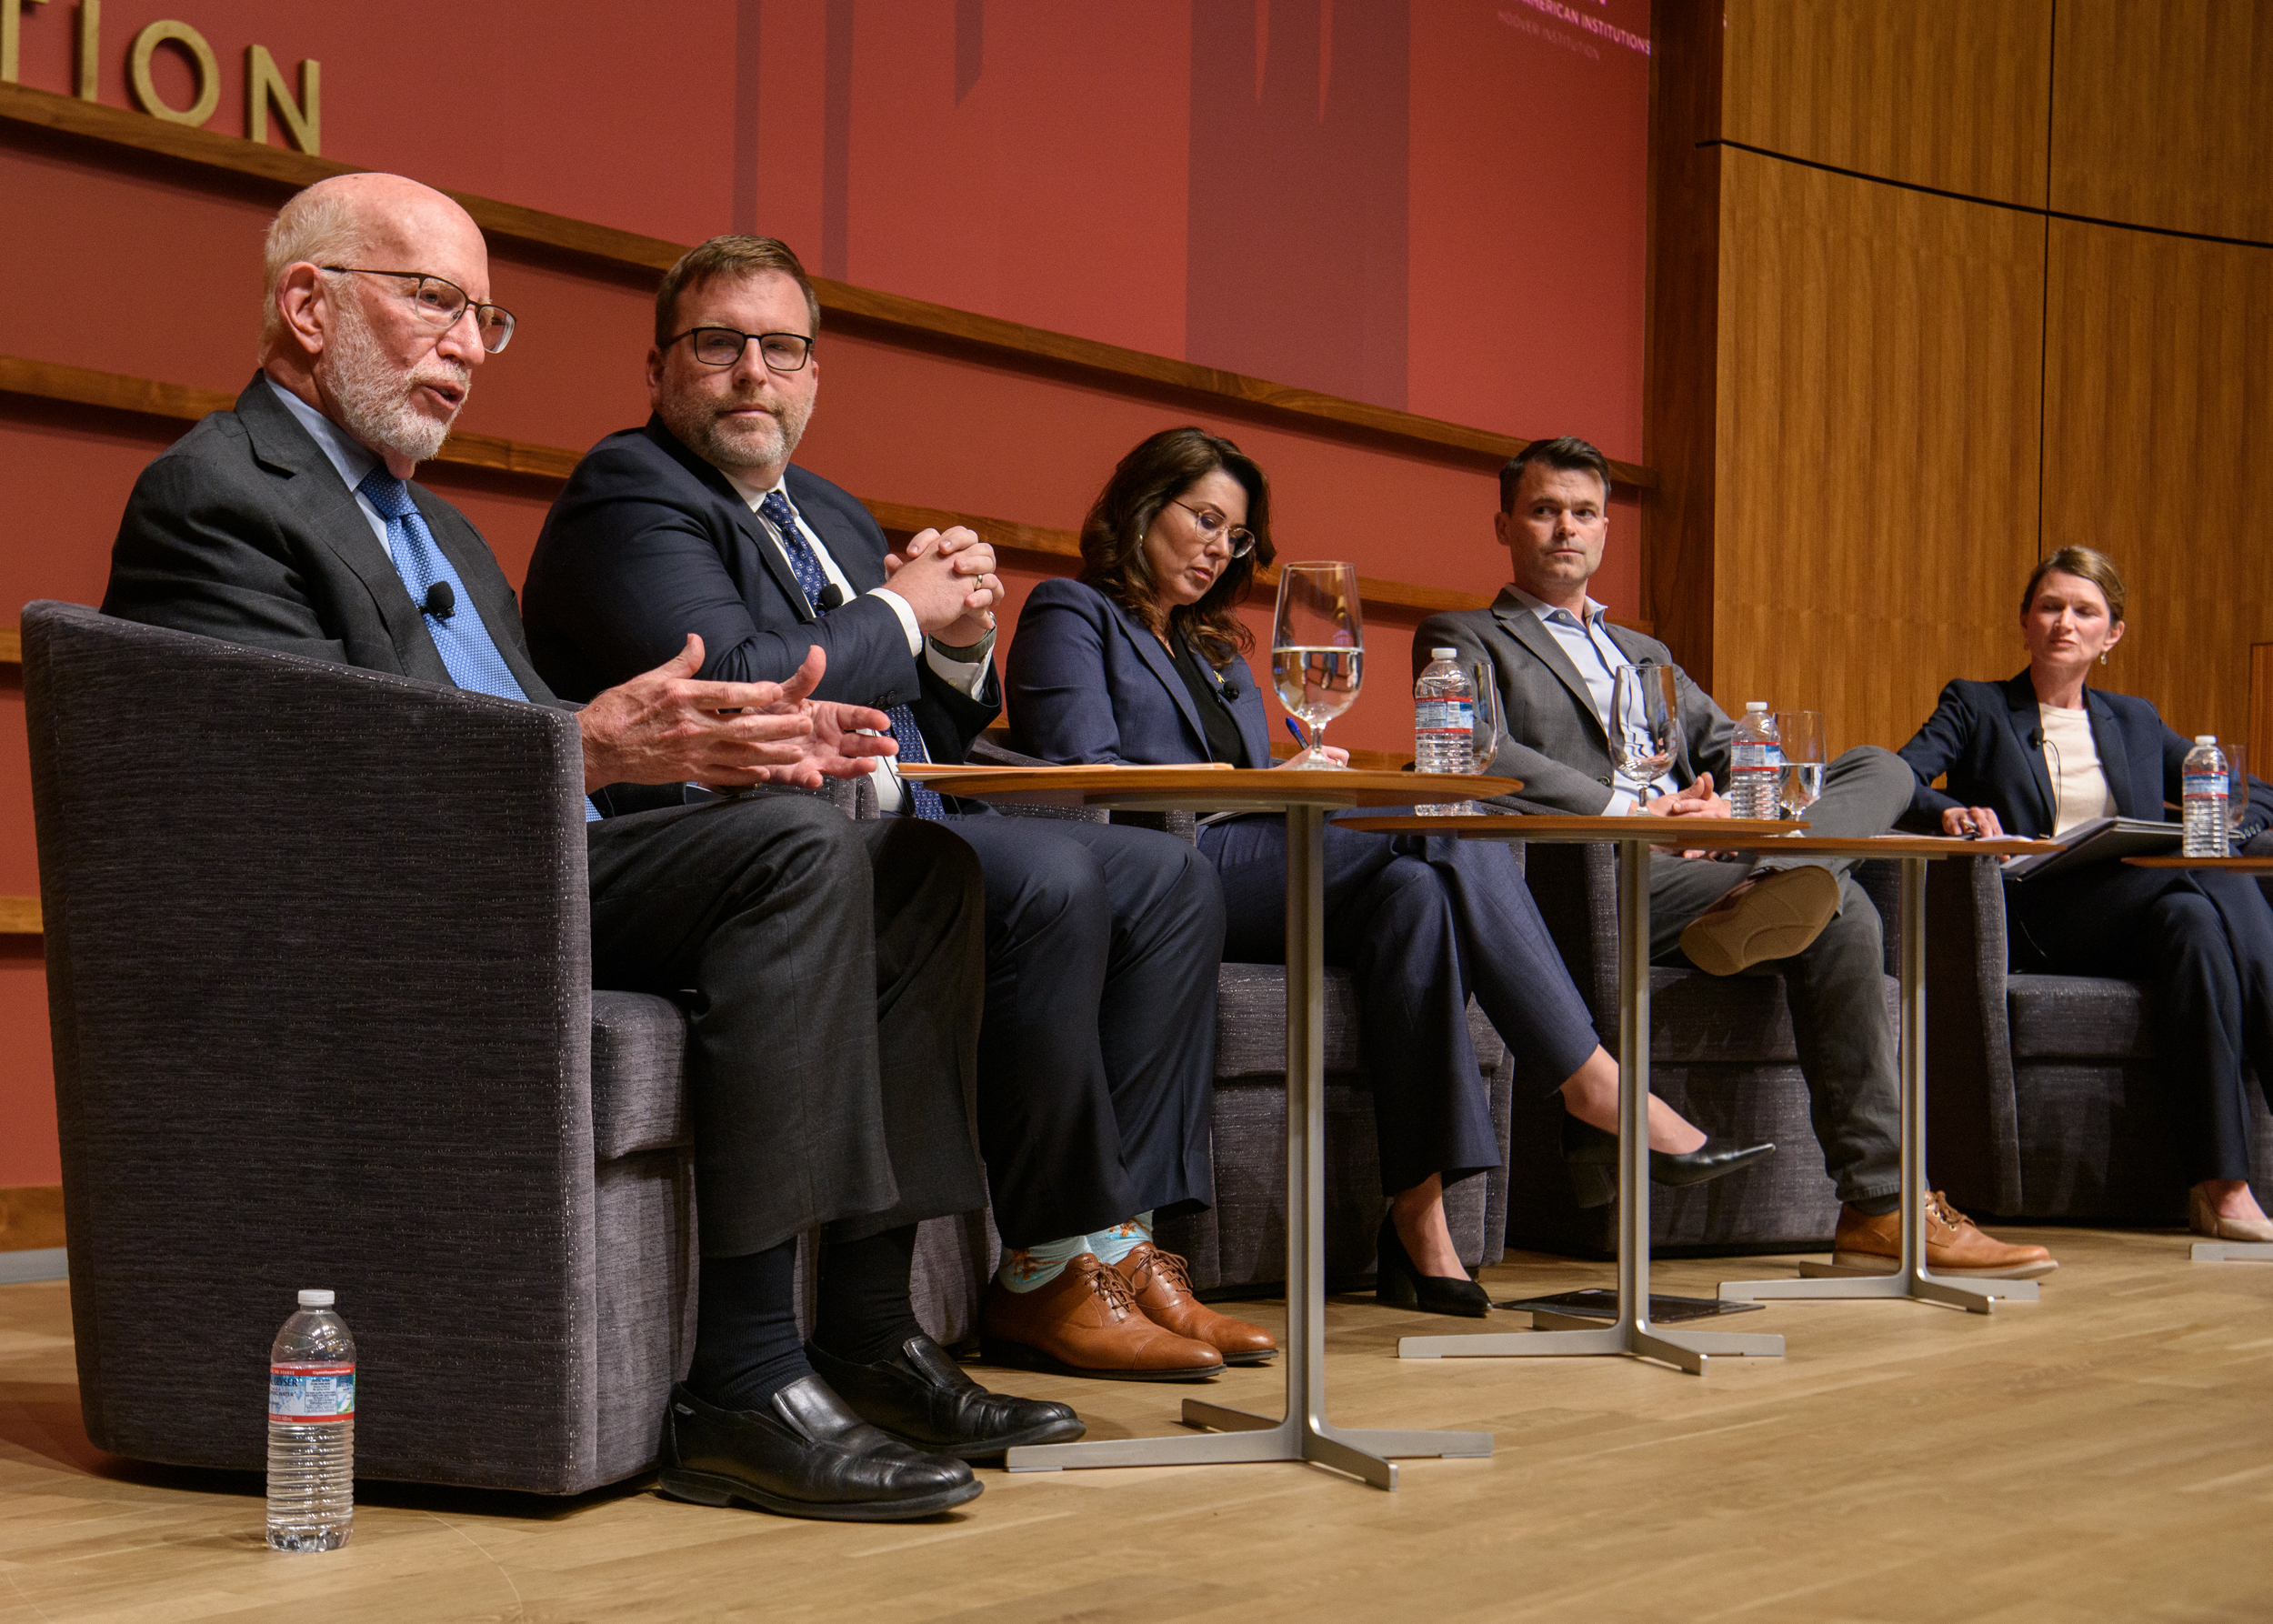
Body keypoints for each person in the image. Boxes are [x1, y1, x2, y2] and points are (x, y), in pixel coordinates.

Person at [99, 174, 1087, 1523]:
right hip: (417, 902)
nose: (465, 344)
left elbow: (532, 746)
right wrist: (596, 749)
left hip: (534, 863)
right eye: (433, 300)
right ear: (307, 305)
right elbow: (309, 791)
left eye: (484, 318)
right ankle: (742, 1381)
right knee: (798, 852)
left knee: (914, 866)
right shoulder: (216, 496)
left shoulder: (436, 522)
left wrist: (686, 756)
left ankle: (866, 1327)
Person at [521, 237, 1271, 1378]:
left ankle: (1128, 1240)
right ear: (659, 367)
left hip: (898, 805)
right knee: (1051, 877)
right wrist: (902, 609)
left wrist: (961, 647)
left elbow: (933, 715)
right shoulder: (629, 492)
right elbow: (741, 678)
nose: (751, 374)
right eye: (719, 345)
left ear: (816, 373)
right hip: (734, 838)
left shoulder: (819, 503)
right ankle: (1048, 1264)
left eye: (782, 349)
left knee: (1170, 879)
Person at [1006, 426, 1772, 1318]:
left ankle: (1419, 1223)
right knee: (1447, 820)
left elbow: (1258, 789)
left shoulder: (1216, 653)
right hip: (1159, 869)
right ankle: (1592, 1083)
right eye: (1205, 520)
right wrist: (1262, 783)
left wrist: (1282, 786)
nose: (1220, 548)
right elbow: (1075, 771)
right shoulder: (1070, 610)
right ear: (1142, 507)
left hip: (1246, 860)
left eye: (1237, 536)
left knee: (1416, 895)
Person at [1417, 434, 2058, 1279]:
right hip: (1593, 876)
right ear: (1505, 524)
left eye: (1582, 514)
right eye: (1543, 511)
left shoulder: (1647, 655)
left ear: (1607, 529)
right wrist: (1641, 807)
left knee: (1882, 772)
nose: (1563, 530)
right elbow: (1473, 746)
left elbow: (1746, 750)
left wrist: (1733, 803)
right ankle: (1883, 1195)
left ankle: (1875, 1207)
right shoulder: (1464, 635)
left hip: (1698, 870)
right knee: (1845, 906)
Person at [1898, 546, 2273, 1243]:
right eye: (2050, 606)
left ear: (2113, 635)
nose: (2064, 623)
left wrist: (2227, 824)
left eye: (2084, 611)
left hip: (2136, 912)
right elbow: (1897, 774)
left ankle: (2221, 1188)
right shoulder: (1977, 706)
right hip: (2041, 915)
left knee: (2194, 916)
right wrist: (1945, 811)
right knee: (2207, 875)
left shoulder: (2133, 720)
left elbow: (2257, 798)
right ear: (2024, 622)